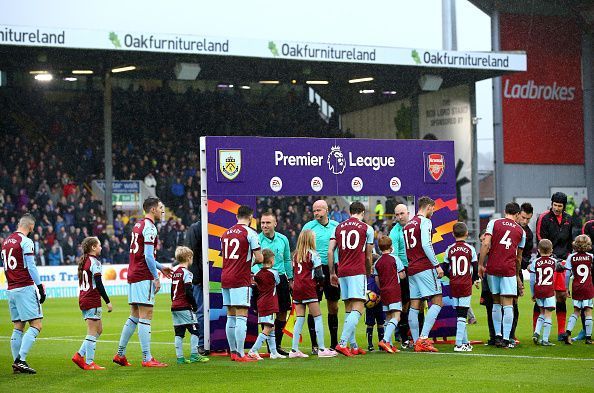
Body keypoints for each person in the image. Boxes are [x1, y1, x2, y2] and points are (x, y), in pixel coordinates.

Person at [113, 197, 172, 368]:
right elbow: (147, 256)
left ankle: (120, 354)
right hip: (143, 275)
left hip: (133, 274)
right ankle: (147, 358)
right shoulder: (150, 227)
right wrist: (156, 276)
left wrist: (160, 267)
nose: (163, 211)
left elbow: (143, 255)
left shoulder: (138, 225)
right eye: (161, 208)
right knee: (146, 315)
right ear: (153, 210)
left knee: (135, 315)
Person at [329, 201, 374, 357]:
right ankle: (342, 343)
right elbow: (368, 256)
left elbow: (330, 251)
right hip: (357, 270)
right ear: (362, 212)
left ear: (350, 212)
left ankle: (353, 346)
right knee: (359, 306)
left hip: (342, 271)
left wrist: (331, 272)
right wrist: (368, 273)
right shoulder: (367, 228)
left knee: (349, 308)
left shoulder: (338, 227)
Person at [3, 213, 46, 374]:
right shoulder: (26, 241)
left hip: (11, 289)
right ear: (31, 226)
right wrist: (40, 286)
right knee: (36, 324)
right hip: (25, 287)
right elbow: (30, 265)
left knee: (18, 326)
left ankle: (17, 364)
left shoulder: (6, 242)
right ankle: (20, 360)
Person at [479, 202, 525, 349]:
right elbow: (519, 257)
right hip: (508, 269)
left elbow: (486, 244)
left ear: (505, 211)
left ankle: (497, 336)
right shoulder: (521, 231)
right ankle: (506, 339)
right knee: (508, 304)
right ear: (517, 214)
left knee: (496, 302)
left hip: (492, 268)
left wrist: (480, 264)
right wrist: (517, 274)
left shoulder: (493, 223)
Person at [221, 205, 263, 362]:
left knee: (230, 316)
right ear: (251, 217)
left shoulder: (225, 233)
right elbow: (259, 258)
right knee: (241, 315)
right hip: (240, 278)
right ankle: (240, 354)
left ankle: (232, 352)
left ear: (236, 216)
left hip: (225, 277)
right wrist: (250, 262)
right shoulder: (250, 233)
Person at [289, 230, 337, 358]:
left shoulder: (295, 255)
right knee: (318, 317)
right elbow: (319, 274)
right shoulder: (313, 255)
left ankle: (294, 350)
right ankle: (321, 349)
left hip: (297, 288)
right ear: (311, 240)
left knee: (299, 318)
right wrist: (320, 285)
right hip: (308, 287)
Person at [404, 196, 443, 352]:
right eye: (433, 208)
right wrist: (437, 265)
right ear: (428, 207)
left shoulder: (407, 225)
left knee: (415, 303)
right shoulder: (425, 222)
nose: (433, 211)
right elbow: (427, 244)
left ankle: (415, 341)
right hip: (424, 266)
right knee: (437, 300)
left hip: (412, 268)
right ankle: (423, 338)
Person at [301, 199, 340, 351]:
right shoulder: (308, 227)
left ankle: (334, 343)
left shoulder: (336, 226)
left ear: (326, 210)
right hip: (313, 269)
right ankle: (314, 344)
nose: (316, 213)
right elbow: (302, 248)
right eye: (314, 210)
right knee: (313, 306)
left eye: (319, 210)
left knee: (334, 306)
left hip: (332, 268)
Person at [253, 212, 292, 356]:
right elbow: (252, 260)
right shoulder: (256, 239)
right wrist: (261, 274)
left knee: (282, 311)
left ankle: (276, 346)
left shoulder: (283, 239)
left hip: (280, 278)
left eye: (268, 223)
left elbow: (287, 260)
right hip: (264, 279)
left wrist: (291, 278)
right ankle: (268, 347)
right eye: (262, 223)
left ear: (275, 224)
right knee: (267, 313)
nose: (264, 226)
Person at [536, 192, 574, 341]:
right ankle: (536, 330)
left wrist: (567, 259)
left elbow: (570, 240)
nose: (557, 208)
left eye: (560, 206)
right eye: (555, 205)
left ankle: (561, 332)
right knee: (542, 296)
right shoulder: (544, 218)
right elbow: (541, 238)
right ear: (551, 204)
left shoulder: (569, 219)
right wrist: (550, 257)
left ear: (564, 206)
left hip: (563, 262)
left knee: (561, 297)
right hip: (547, 261)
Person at [72, 237, 113, 370]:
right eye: (99, 245)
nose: (101, 247)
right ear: (93, 247)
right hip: (92, 299)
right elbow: (99, 284)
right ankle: (89, 363)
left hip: (84, 298)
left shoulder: (85, 260)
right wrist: (108, 301)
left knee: (99, 330)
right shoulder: (94, 262)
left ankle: (79, 355)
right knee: (92, 331)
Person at [442, 222, 479, 352]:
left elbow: (444, 268)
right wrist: (475, 279)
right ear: (467, 234)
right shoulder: (470, 249)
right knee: (463, 315)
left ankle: (465, 342)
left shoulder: (450, 249)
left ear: (453, 234)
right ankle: (458, 344)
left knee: (459, 314)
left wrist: (451, 276)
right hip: (465, 284)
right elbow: (475, 267)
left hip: (454, 284)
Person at [170, 246, 209, 364]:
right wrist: (194, 305)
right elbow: (188, 291)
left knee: (179, 332)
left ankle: (180, 358)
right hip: (184, 306)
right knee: (195, 330)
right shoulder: (187, 273)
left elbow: (172, 292)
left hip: (175, 306)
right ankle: (194, 354)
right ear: (188, 258)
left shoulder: (175, 272)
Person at [248, 249, 287, 360]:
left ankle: (274, 352)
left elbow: (255, 286)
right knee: (268, 327)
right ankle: (253, 350)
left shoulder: (257, 274)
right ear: (271, 260)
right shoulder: (274, 273)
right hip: (269, 302)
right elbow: (278, 282)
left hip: (260, 302)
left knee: (271, 327)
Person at [374, 236, 406, 354]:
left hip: (384, 290)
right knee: (396, 316)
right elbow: (402, 275)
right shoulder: (395, 259)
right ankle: (385, 340)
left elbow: (377, 279)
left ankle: (390, 345)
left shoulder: (377, 262)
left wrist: (382, 287)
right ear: (391, 247)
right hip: (394, 289)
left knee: (388, 317)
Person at [389, 203, 414, 348]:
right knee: (405, 304)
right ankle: (404, 337)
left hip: (417, 269)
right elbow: (395, 254)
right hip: (404, 270)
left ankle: (418, 336)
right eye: (397, 214)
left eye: (402, 214)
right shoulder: (395, 232)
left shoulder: (415, 227)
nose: (399, 217)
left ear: (408, 213)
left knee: (418, 302)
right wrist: (400, 271)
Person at [563, 234, 593, 345]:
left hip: (576, 287)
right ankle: (588, 337)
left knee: (576, 311)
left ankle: (568, 332)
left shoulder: (571, 257)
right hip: (588, 287)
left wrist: (566, 288)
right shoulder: (591, 257)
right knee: (588, 311)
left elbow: (567, 274)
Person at [529, 239, 556, 346]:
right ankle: (545, 339)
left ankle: (536, 332)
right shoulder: (554, 261)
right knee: (548, 315)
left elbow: (532, 280)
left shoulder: (535, 262)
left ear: (538, 250)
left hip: (538, 290)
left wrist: (533, 293)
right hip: (549, 290)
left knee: (542, 313)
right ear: (551, 250)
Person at [185, 219, 207, 355]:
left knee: (201, 310)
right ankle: (202, 343)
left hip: (203, 276)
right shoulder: (198, 228)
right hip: (201, 277)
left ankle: (204, 342)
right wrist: (197, 276)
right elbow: (192, 253)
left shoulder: (195, 228)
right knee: (200, 310)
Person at [365, 262, 385, 352]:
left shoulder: (380, 278)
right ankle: (370, 344)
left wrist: (380, 297)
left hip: (380, 304)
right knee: (370, 324)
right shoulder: (366, 279)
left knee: (381, 323)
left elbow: (383, 288)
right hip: (370, 307)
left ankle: (381, 343)